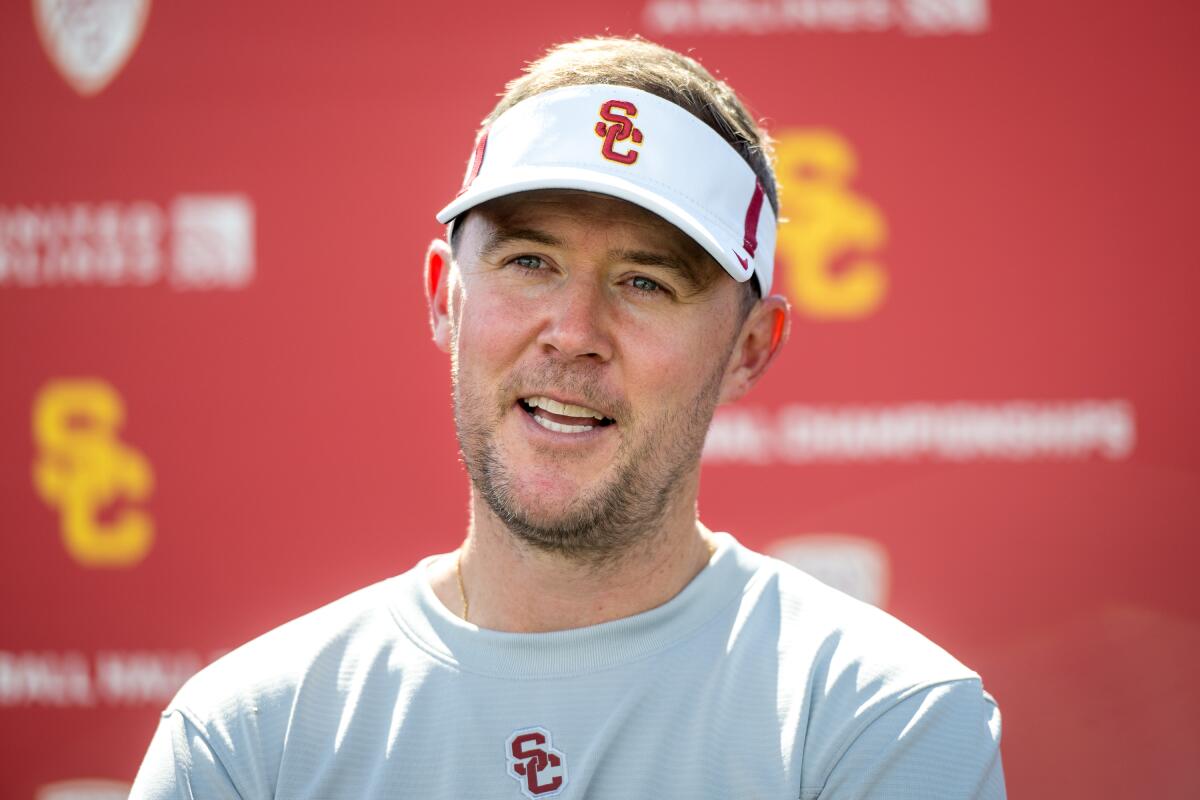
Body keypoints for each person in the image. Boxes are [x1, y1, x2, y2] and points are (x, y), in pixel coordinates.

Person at [131, 36, 1005, 799]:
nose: (576, 334)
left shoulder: (880, 720)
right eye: (530, 260)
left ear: (750, 347)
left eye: (646, 282)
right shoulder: (248, 740)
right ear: (446, 297)